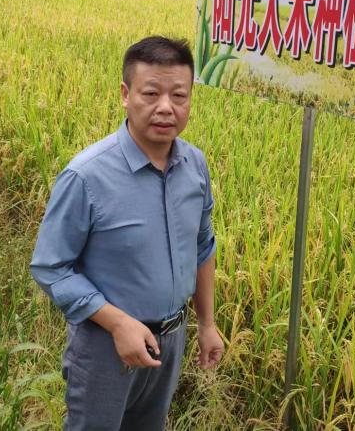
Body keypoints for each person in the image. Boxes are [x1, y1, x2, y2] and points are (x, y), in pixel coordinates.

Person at [30, 36, 224, 430]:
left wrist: (206, 324)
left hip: (170, 342)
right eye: (151, 93)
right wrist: (119, 324)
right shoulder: (86, 176)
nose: (166, 107)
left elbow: (203, 245)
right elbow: (51, 266)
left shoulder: (195, 166)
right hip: (105, 347)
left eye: (179, 95)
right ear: (125, 94)